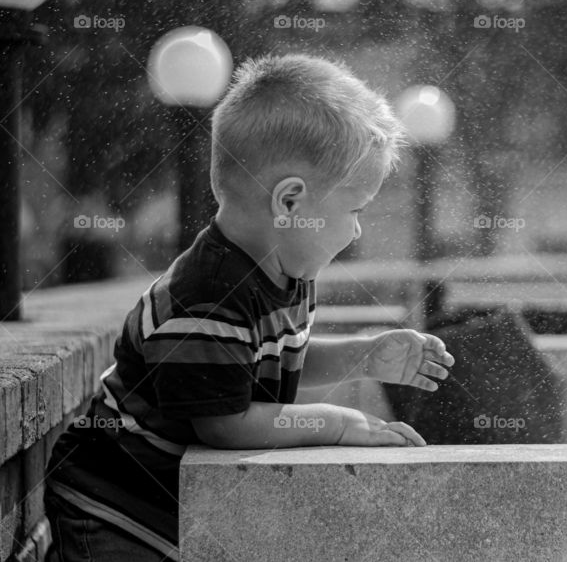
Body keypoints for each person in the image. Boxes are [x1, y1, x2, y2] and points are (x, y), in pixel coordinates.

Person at [44, 54, 454, 561]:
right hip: (112, 509)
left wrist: (362, 355)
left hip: (168, 510)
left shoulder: (285, 269)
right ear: (290, 204)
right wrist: (336, 423)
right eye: (355, 209)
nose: (357, 230)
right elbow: (224, 422)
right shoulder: (209, 293)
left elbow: (265, 366)